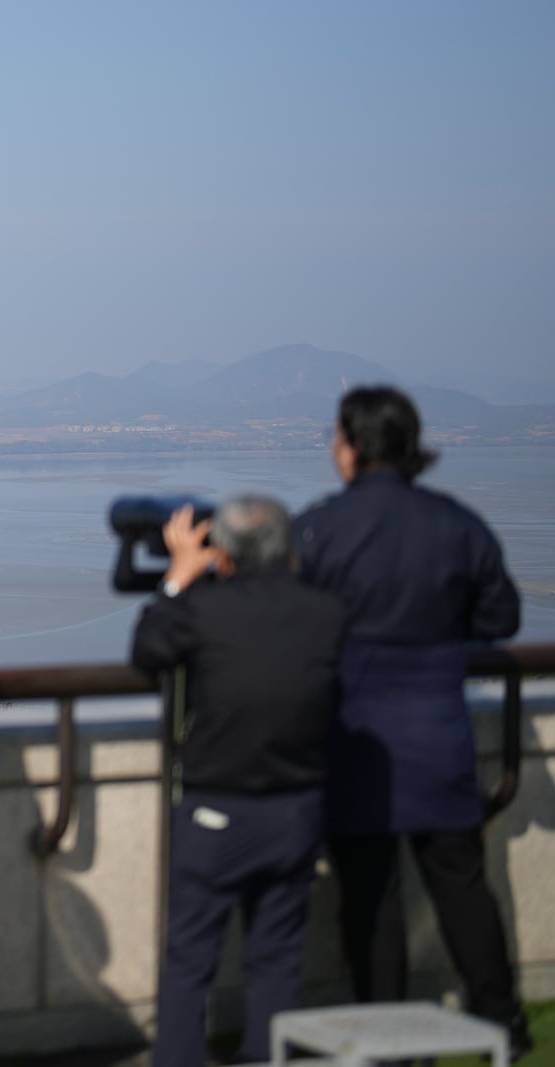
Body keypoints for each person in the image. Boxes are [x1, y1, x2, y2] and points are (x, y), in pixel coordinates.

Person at [295, 386, 531, 1057]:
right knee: (461, 886)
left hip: (354, 737)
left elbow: (296, 622)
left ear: (353, 444)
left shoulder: (320, 529)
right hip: (437, 733)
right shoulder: (455, 523)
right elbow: (501, 617)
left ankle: (385, 1032)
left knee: (370, 896)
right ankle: (502, 1017)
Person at [132, 497, 347, 1067]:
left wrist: (178, 579)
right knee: (277, 957)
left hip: (215, 809)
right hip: (296, 808)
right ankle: (266, 1057)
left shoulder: (205, 610)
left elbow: (149, 651)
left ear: (221, 551)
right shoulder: (326, 613)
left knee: (190, 957)